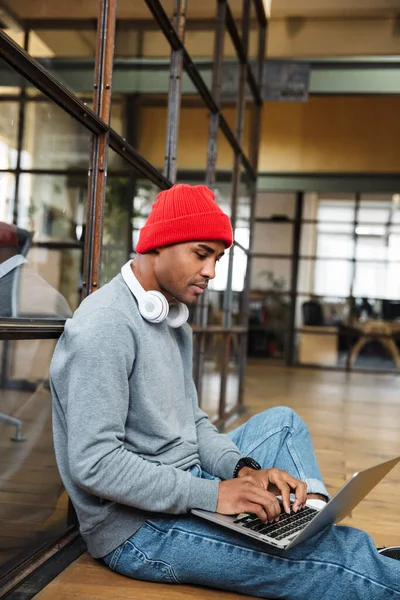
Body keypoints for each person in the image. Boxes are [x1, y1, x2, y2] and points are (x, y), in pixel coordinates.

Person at [50, 184, 400, 600]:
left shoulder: (170, 320)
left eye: (217, 258)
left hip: (186, 481)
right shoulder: (106, 326)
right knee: (338, 561)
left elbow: (193, 421)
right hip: (139, 529)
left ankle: (306, 531)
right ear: (159, 244)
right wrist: (215, 494)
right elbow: (96, 464)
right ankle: (339, 558)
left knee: (283, 423)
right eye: (202, 254)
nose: (212, 272)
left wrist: (242, 471)